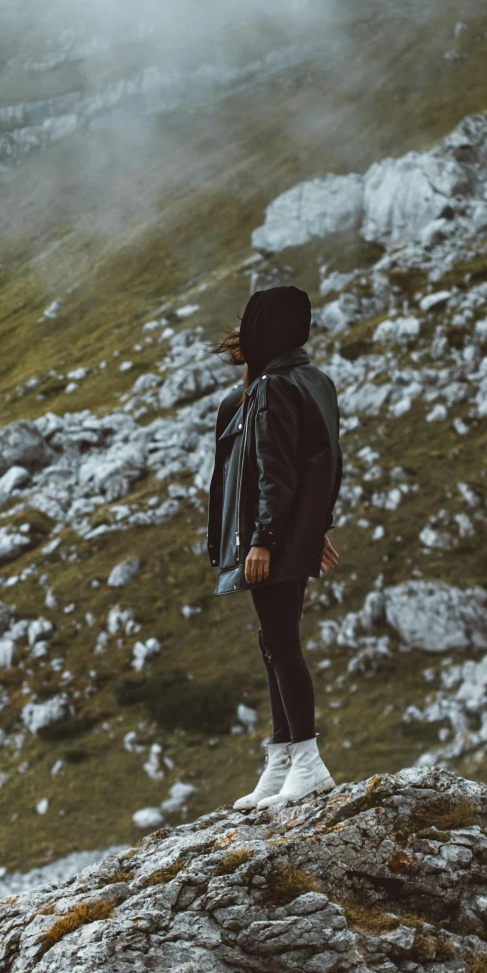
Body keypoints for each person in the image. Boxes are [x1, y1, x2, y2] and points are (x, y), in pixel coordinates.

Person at [206, 283, 342, 807]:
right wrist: (315, 527)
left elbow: (277, 470)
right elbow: (323, 462)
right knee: (275, 642)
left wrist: (263, 539)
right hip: (292, 530)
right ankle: (283, 756)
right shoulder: (314, 381)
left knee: (281, 644)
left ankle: (306, 760)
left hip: (272, 535)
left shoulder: (271, 388)